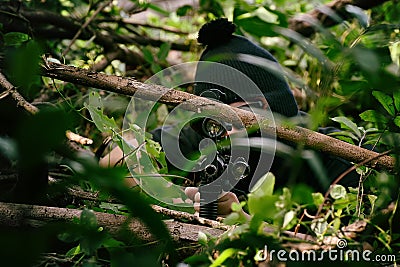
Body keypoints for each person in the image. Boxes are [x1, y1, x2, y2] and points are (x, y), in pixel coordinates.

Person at [100, 18, 359, 218]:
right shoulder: (199, 137)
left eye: (246, 114)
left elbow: (357, 245)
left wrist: (244, 222)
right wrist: (174, 197)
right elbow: (112, 163)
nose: (231, 131)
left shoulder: (324, 151)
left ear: (277, 108)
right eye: (217, 121)